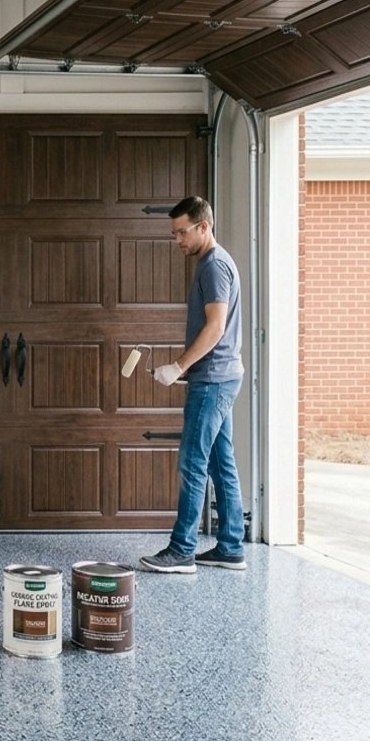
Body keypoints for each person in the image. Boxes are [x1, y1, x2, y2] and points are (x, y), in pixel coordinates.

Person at [140, 196, 246, 573]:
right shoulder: (211, 263)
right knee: (221, 464)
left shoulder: (214, 266)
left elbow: (216, 328)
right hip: (222, 375)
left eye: (182, 232)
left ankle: (182, 549)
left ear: (204, 226)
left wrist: (178, 366)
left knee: (192, 462)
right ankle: (232, 545)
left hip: (212, 379)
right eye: (174, 234)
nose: (177, 240)